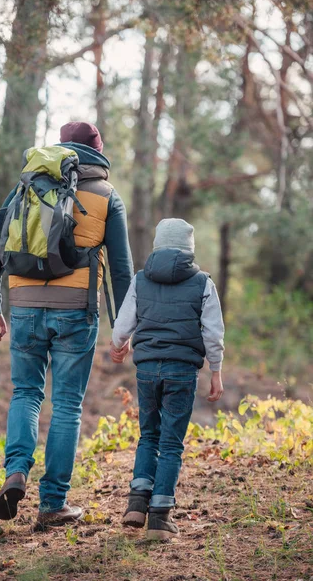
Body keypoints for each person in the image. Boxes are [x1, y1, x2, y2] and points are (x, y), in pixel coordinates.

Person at [0, 121, 133, 530]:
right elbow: (121, 270)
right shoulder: (105, 195)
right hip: (75, 312)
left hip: (25, 307)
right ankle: (52, 504)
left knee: (26, 393)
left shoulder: (27, 186)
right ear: (97, 150)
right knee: (66, 405)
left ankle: (15, 472)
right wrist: (124, 327)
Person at [110, 218, 224, 540]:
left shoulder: (140, 279)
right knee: (171, 442)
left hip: (146, 370)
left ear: (158, 245)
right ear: (189, 249)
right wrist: (215, 370)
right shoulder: (203, 283)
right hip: (182, 371)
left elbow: (123, 322)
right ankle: (159, 517)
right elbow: (213, 333)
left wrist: (119, 345)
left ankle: (136, 502)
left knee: (148, 435)